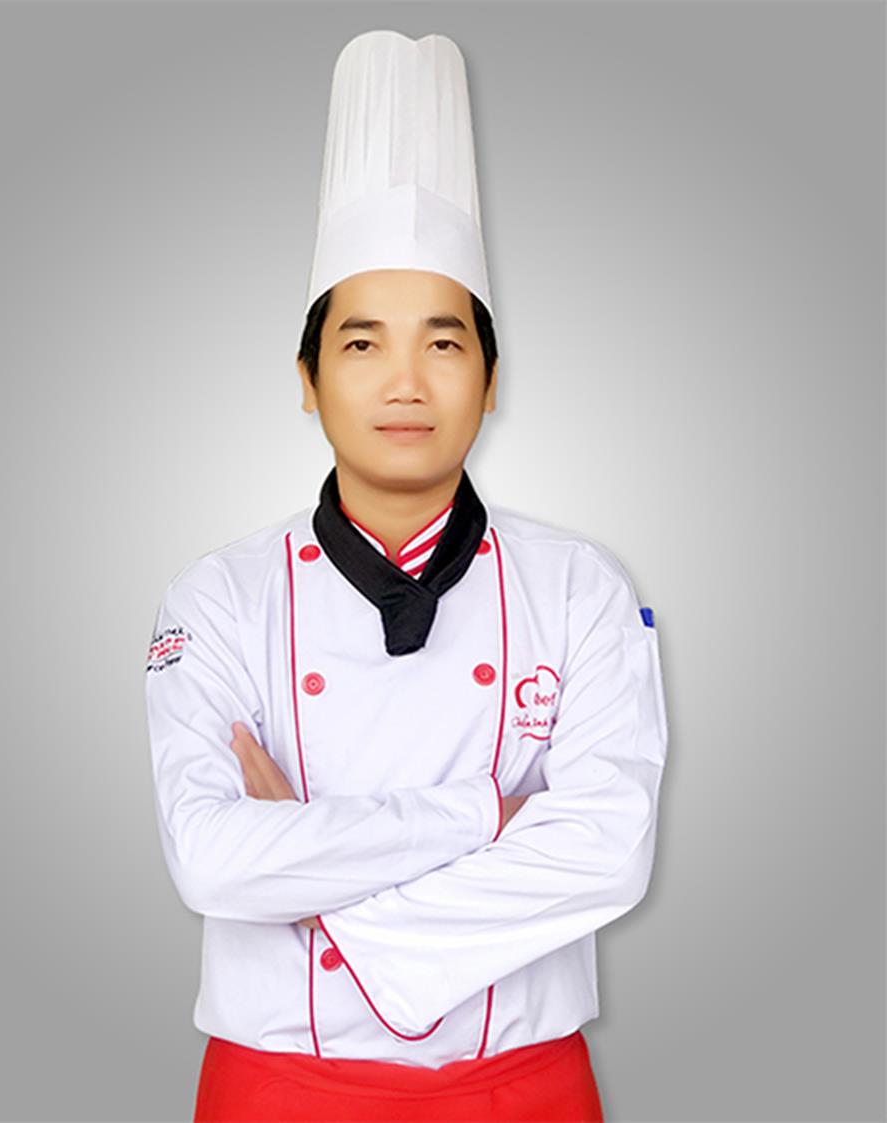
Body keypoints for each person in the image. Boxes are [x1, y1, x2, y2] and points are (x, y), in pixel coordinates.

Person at [144, 29, 669, 1122]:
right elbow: (211, 863)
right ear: (306, 378)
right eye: (361, 343)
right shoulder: (218, 599)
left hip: (522, 1088)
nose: (404, 382)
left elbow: (609, 852)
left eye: (442, 342)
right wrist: (490, 813)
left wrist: (320, 887)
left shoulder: (581, 589)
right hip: (278, 1089)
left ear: (490, 377)